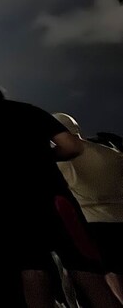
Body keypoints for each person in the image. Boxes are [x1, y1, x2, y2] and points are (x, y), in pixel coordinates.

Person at [0, 78, 118, 308]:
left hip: (11, 203)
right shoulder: (28, 110)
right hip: (55, 198)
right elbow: (72, 146)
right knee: (83, 267)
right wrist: (47, 157)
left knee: (32, 269)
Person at [54, 113, 123, 304]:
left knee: (107, 276)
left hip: (90, 224)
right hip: (119, 217)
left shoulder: (62, 160)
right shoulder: (111, 153)